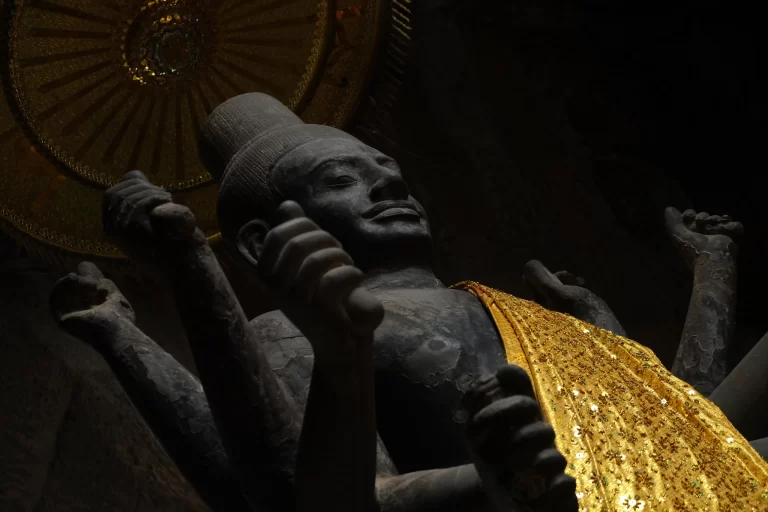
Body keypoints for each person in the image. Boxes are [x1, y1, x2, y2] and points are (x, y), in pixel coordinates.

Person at [52, 92, 767, 510]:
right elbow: (319, 497)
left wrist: (712, 273)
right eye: (342, 179)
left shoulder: (537, 311)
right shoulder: (297, 333)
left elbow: (695, 432)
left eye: (387, 170)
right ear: (260, 238)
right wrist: (483, 481)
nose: (389, 186)